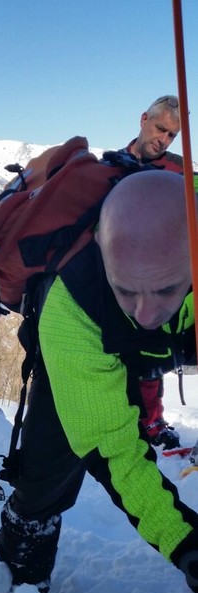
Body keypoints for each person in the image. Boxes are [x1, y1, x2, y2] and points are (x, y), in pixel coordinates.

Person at [0, 170, 198, 593]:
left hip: (178, 331)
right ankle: (22, 583)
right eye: (127, 290)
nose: (146, 313)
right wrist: (184, 542)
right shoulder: (73, 304)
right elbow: (112, 446)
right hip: (87, 345)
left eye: (165, 289)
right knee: (44, 474)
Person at [121, 95, 183, 450]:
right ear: (144, 119)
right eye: (161, 128)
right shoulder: (111, 165)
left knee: (152, 356)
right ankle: (120, 419)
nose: (164, 139)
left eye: (172, 135)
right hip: (114, 279)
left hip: (159, 281)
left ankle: (152, 421)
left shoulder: (176, 170)